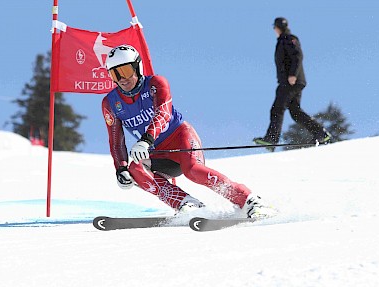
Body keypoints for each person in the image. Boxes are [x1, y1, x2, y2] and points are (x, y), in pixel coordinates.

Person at [101, 44, 277, 219]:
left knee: (193, 170)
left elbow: (163, 113)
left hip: (180, 137)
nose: (121, 78)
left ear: (138, 67)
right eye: (114, 74)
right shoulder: (110, 103)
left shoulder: (156, 83)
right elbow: (116, 141)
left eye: (125, 71)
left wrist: (146, 140)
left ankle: (250, 201)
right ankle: (187, 204)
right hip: (158, 153)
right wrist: (120, 169)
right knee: (135, 169)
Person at [254, 17, 331, 151]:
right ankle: (321, 133)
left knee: (277, 109)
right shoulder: (284, 40)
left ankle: (271, 139)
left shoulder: (288, 39)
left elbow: (298, 56)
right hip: (293, 81)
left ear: (277, 28)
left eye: (274, 27)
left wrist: (293, 75)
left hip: (290, 81)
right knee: (295, 112)